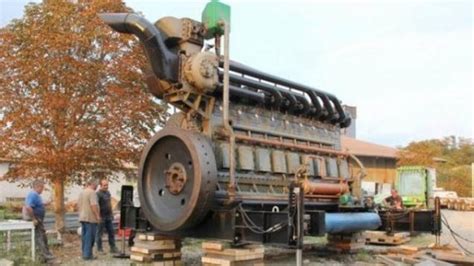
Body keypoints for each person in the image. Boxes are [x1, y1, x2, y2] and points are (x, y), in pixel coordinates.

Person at [23, 180, 55, 263]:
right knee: (40, 238)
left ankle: (44, 257)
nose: (43, 190)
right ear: (38, 187)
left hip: (39, 219)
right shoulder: (33, 194)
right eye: (42, 188)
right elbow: (28, 207)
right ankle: (46, 258)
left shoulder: (36, 195)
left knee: (43, 238)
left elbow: (37, 205)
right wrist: (33, 219)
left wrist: (45, 204)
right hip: (36, 219)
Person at [78, 178, 101, 260]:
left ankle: (85, 253)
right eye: (97, 185)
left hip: (83, 217)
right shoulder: (92, 193)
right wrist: (97, 216)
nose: (97, 187)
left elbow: (79, 205)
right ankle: (87, 255)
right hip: (90, 218)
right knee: (90, 237)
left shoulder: (82, 192)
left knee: (84, 237)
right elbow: (93, 205)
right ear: (93, 184)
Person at [96, 179, 118, 253]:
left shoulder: (108, 193)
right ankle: (99, 249)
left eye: (107, 185)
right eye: (104, 185)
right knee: (100, 233)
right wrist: (98, 216)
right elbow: (96, 206)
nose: (106, 186)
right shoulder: (98, 194)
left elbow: (109, 204)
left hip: (108, 216)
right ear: (100, 185)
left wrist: (112, 214)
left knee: (111, 232)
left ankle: (113, 247)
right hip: (101, 216)